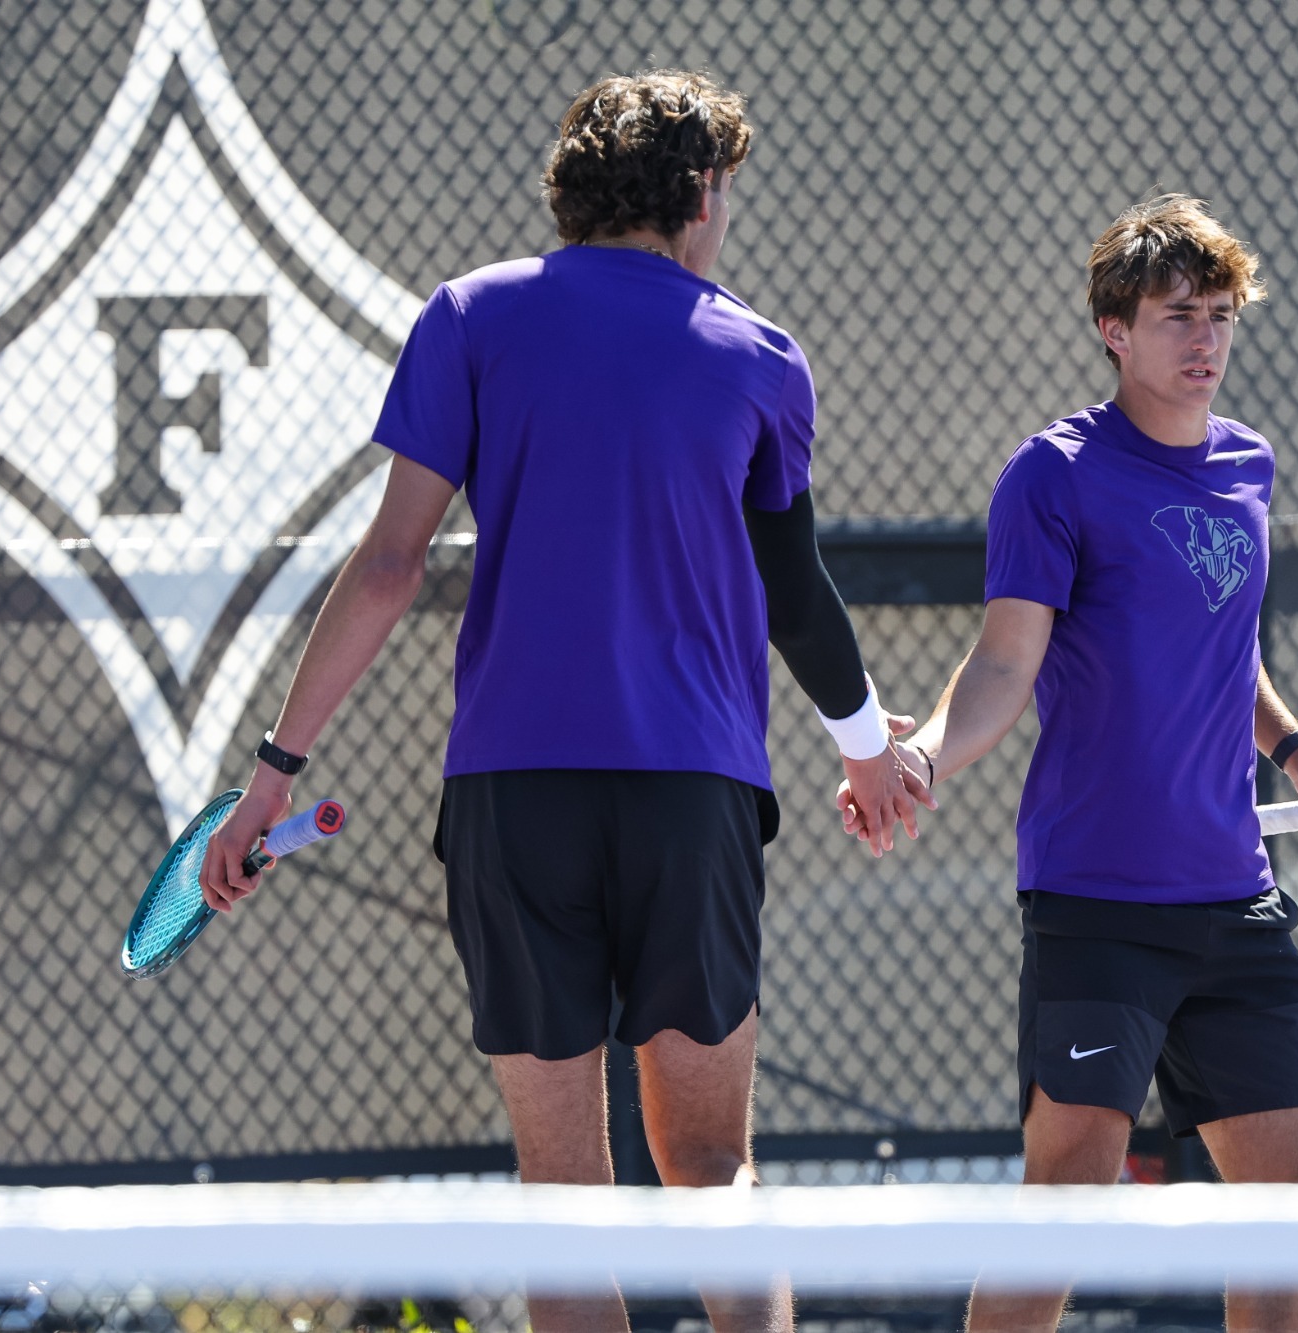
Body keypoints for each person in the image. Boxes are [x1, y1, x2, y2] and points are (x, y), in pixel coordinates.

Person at [201, 69, 930, 1333]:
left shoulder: (470, 318)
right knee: (710, 1173)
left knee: (563, 1197)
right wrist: (867, 752)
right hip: (690, 796)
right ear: (699, 192)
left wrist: (272, 773)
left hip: (515, 797)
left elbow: (384, 568)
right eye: (725, 191)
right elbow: (793, 589)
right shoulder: (758, 354)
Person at [841, 194, 1298, 1333]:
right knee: (1070, 1196)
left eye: (1220, 315)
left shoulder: (1249, 466)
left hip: (1234, 902)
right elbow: (1003, 660)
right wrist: (927, 757)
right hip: (1095, 901)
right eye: (1176, 315)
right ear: (1112, 328)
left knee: (1290, 1200)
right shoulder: (1052, 475)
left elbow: (1219, 647)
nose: (1204, 341)